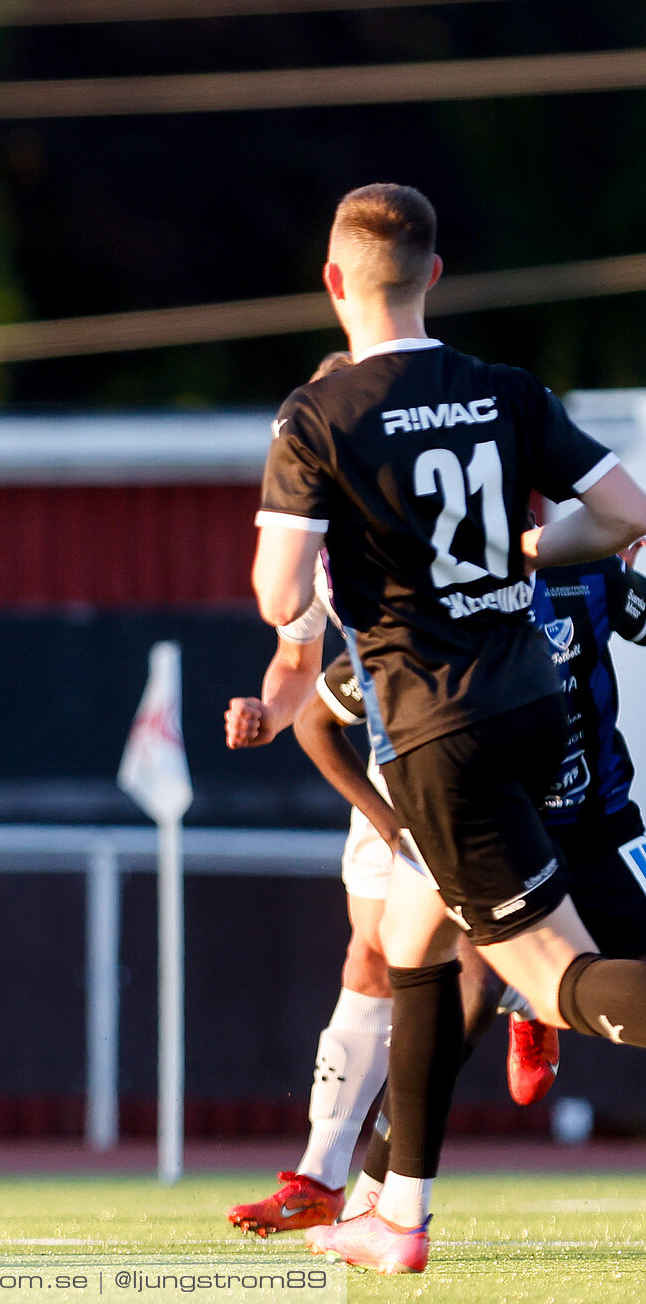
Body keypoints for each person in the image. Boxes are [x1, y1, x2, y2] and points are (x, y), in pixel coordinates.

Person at [253, 182, 646, 1274]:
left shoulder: (316, 414)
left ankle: (396, 1211)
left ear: (334, 283)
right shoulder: (506, 390)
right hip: (530, 704)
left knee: (552, 978)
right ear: (434, 274)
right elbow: (623, 514)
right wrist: (526, 557)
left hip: (439, 729)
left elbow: (279, 591)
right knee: (414, 943)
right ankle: (393, 1206)